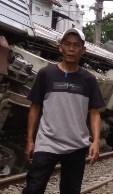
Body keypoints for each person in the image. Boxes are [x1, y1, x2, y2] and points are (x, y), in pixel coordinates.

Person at [22, 28, 105, 194]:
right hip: (47, 142)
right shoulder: (46, 74)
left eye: (76, 45)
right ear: (60, 47)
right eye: (67, 44)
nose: (71, 49)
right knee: (34, 188)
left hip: (76, 145)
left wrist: (96, 141)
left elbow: (94, 113)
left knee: (70, 190)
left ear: (83, 50)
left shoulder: (88, 79)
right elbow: (35, 108)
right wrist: (30, 140)